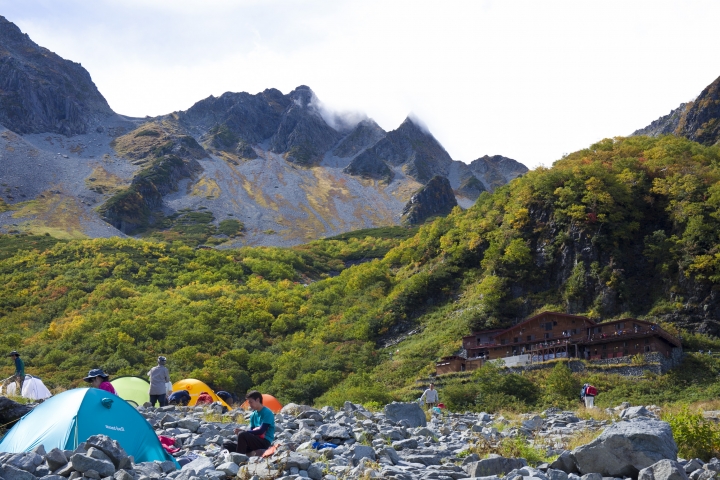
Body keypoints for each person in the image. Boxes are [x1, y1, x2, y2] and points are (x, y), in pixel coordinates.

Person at [234, 391, 275, 455]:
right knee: (228, 444)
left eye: (251, 402)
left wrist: (244, 432)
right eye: (249, 402)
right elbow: (252, 431)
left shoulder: (267, 412)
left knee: (242, 434)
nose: (250, 405)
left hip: (264, 442)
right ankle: (239, 454)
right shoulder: (253, 415)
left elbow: (261, 431)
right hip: (255, 441)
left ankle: (239, 457)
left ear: (258, 400)